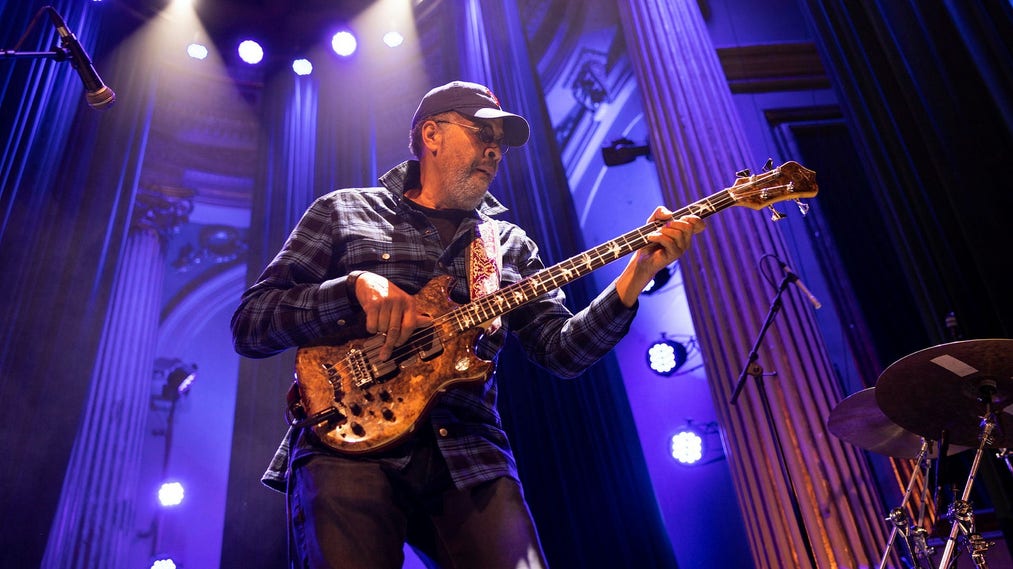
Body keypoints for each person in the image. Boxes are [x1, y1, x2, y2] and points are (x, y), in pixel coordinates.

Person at [230, 80, 704, 569]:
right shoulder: (344, 211)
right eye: (482, 134)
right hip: (345, 442)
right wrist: (354, 288)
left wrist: (635, 275)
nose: (494, 151)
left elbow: (562, 352)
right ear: (431, 134)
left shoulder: (507, 245)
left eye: (500, 143)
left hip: (467, 450)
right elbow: (252, 324)